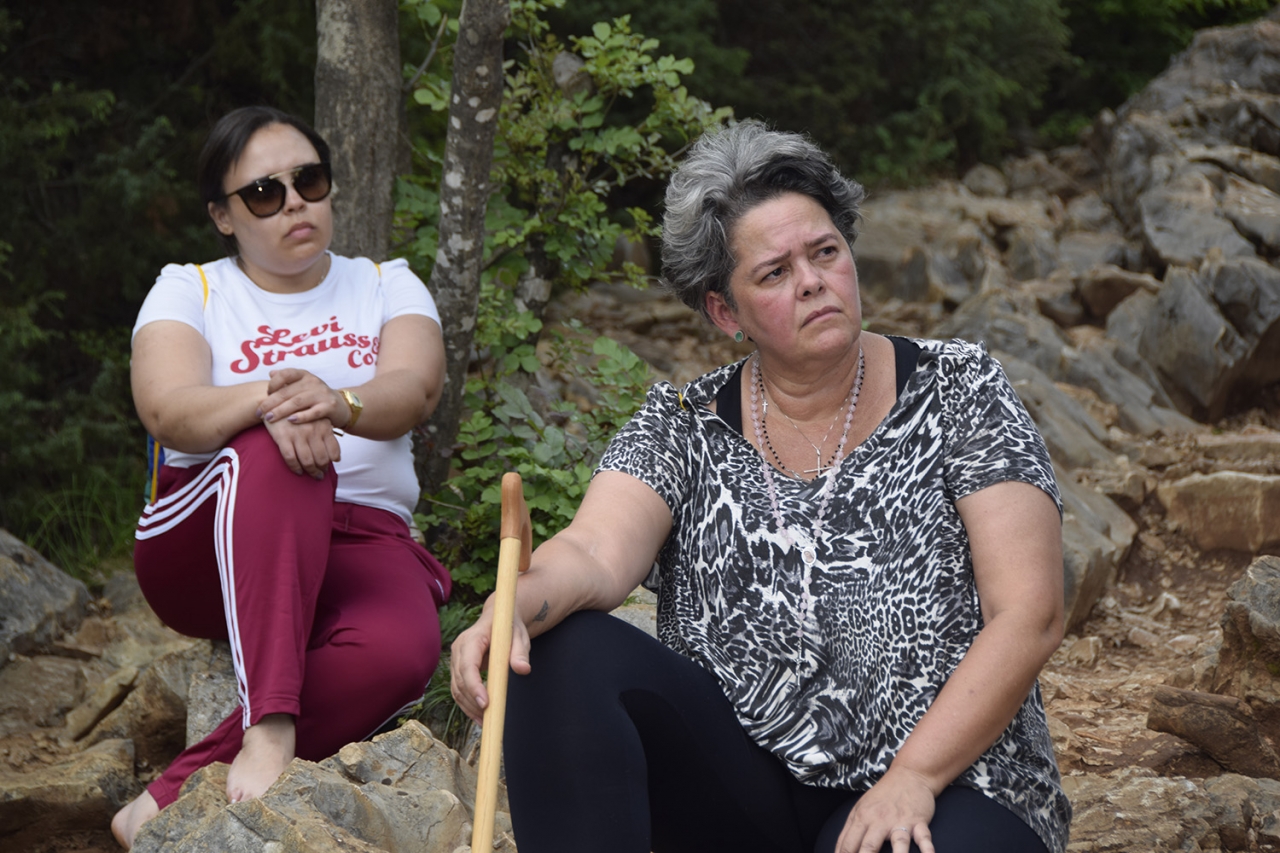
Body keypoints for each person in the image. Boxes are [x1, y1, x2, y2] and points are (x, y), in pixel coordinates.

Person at [451, 120, 1070, 853]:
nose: (811, 280)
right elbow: (591, 549)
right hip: (746, 792)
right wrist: (513, 606)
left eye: (825, 252)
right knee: (558, 651)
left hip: (949, 785)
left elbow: (1029, 611)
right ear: (725, 311)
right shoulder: (684, 425)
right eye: (774, 273)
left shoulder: (960, 388)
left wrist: (915, 774)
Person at [111, 106, 451, 849]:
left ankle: (162, 799)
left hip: (362, 540)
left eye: (309, 181)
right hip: (210, 542)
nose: (294, 202)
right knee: (282, 448)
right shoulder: (190, 288)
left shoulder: (386, 283)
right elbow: (166, 407)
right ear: (222, 216)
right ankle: (269, 724)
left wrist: (339, 402)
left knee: (400, 652)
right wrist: (277, 402)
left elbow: (415, 388)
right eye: (265, 192)